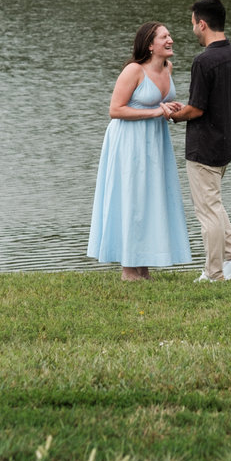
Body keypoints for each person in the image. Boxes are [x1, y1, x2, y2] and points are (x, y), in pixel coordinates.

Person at [87, 21, 191, 281]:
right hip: (129, 142)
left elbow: (161, 103)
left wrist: (172, 108)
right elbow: (115, 109)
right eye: (164, 37)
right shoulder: (134, 70)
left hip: (155, 142)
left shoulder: (168, 68)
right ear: (150, 45)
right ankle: (128, 269)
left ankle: (142, 267)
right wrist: (156, 111)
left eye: (170, 35)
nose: (170, 40)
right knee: (132, 199)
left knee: (150, 199)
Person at [168, 0, 231, 282]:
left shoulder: (203, 61)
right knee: (213, 204)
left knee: (207, 211)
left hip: (204, 146)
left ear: (202, 24)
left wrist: (173, 115)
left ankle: (214, 272)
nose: (192, 28)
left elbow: (197, 109)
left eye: (193, 23)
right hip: (226, 142)